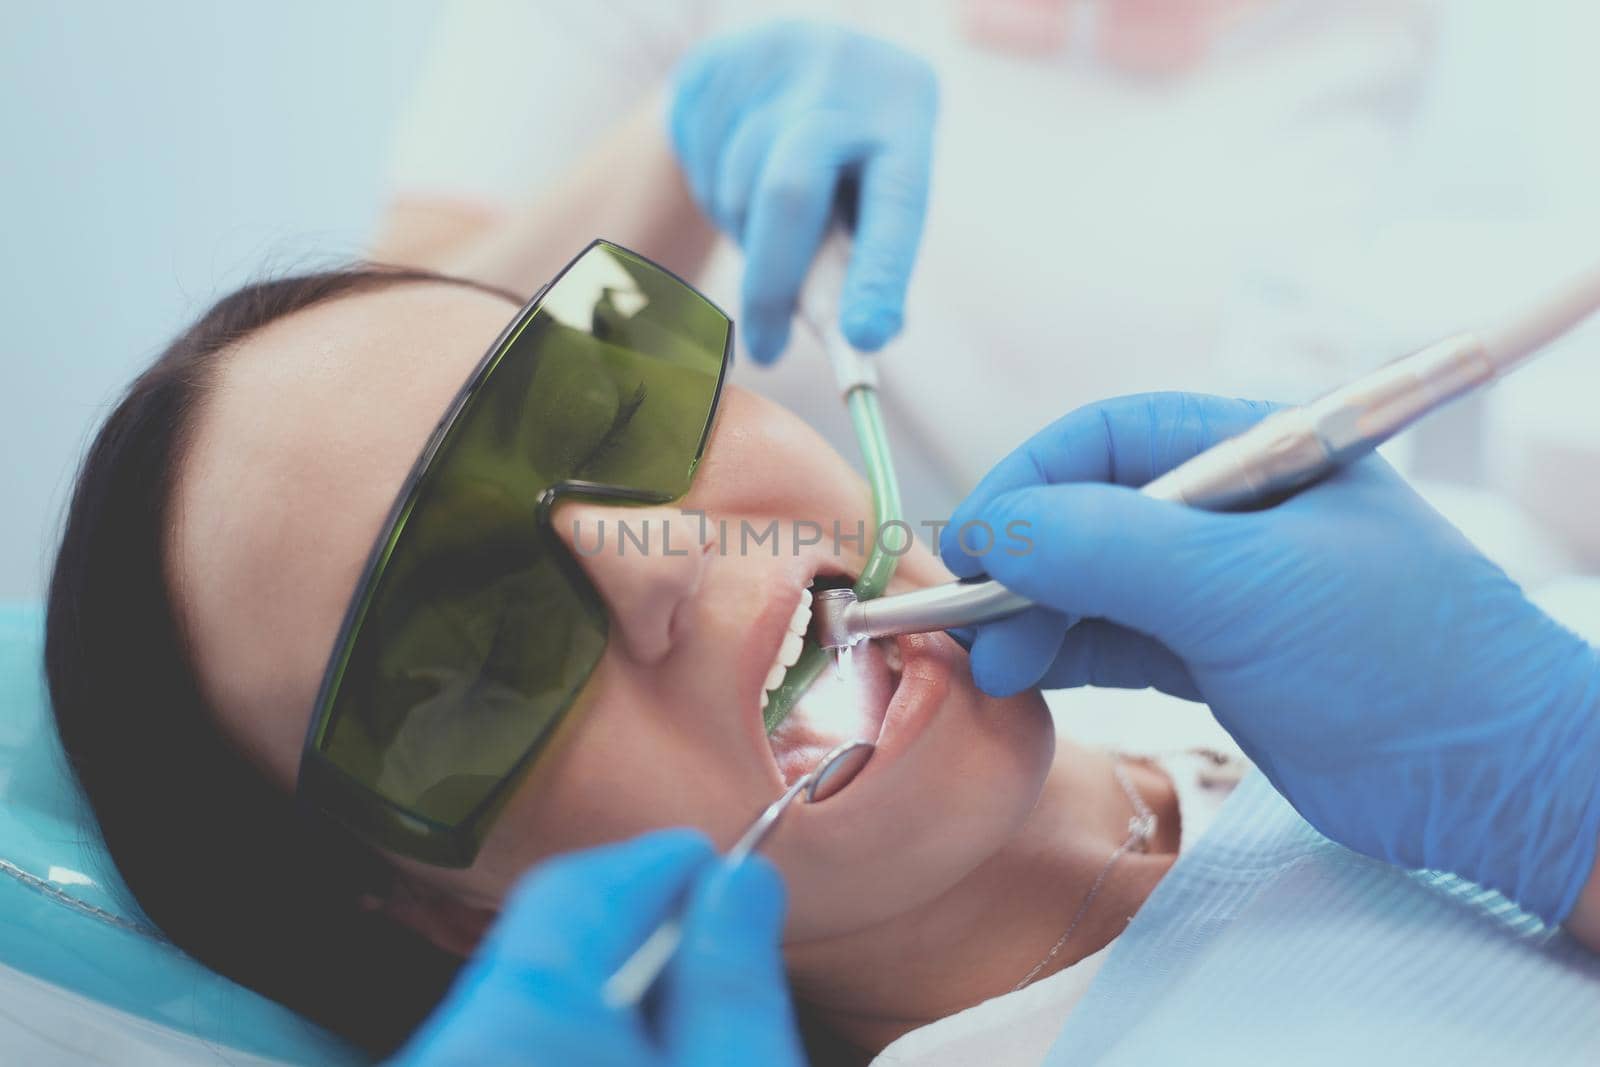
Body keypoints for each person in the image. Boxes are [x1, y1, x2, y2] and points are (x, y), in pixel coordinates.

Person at [44, 258, 1235, 1066]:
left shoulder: (1310, 612)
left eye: (604, 414)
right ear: (456, 913)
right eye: (473, 647)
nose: (648, 557)